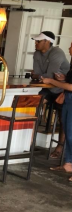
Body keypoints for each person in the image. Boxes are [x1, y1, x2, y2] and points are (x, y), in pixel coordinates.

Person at [31, 31, 70, 159]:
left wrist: (43, 76)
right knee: (35, 106)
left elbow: (48, 75)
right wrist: (43, 76)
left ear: (47, 42)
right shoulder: (37, 53)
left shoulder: (57, 53)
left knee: (62, 119)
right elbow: (36, 74)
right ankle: (30, 141)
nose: (35, 43)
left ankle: (60, 147)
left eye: (38, 41)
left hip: (62, 90)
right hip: (48, 88)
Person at [42, 41, 72, 181]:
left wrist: (52, 81)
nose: (69, 47)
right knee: (67, 130)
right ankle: (68, 164)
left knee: (71, 134)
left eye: (71, 46)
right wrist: (63, 78)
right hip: (68, 98)